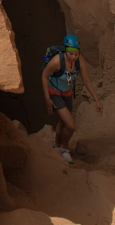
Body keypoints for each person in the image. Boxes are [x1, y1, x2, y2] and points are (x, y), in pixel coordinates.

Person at [42, 34, 103, 164]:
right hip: (55, 93)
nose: (73, 57)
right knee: (71, 126)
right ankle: (65, 148)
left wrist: (97, 100)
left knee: (63, 122)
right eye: (70, 54)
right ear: (65, 51)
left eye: (75, 54)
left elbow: (86, 80)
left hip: (67, 94)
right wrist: (47, 98)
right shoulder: (57, 61)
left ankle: (56, 144)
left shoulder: (79, 62)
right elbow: (44, 76)